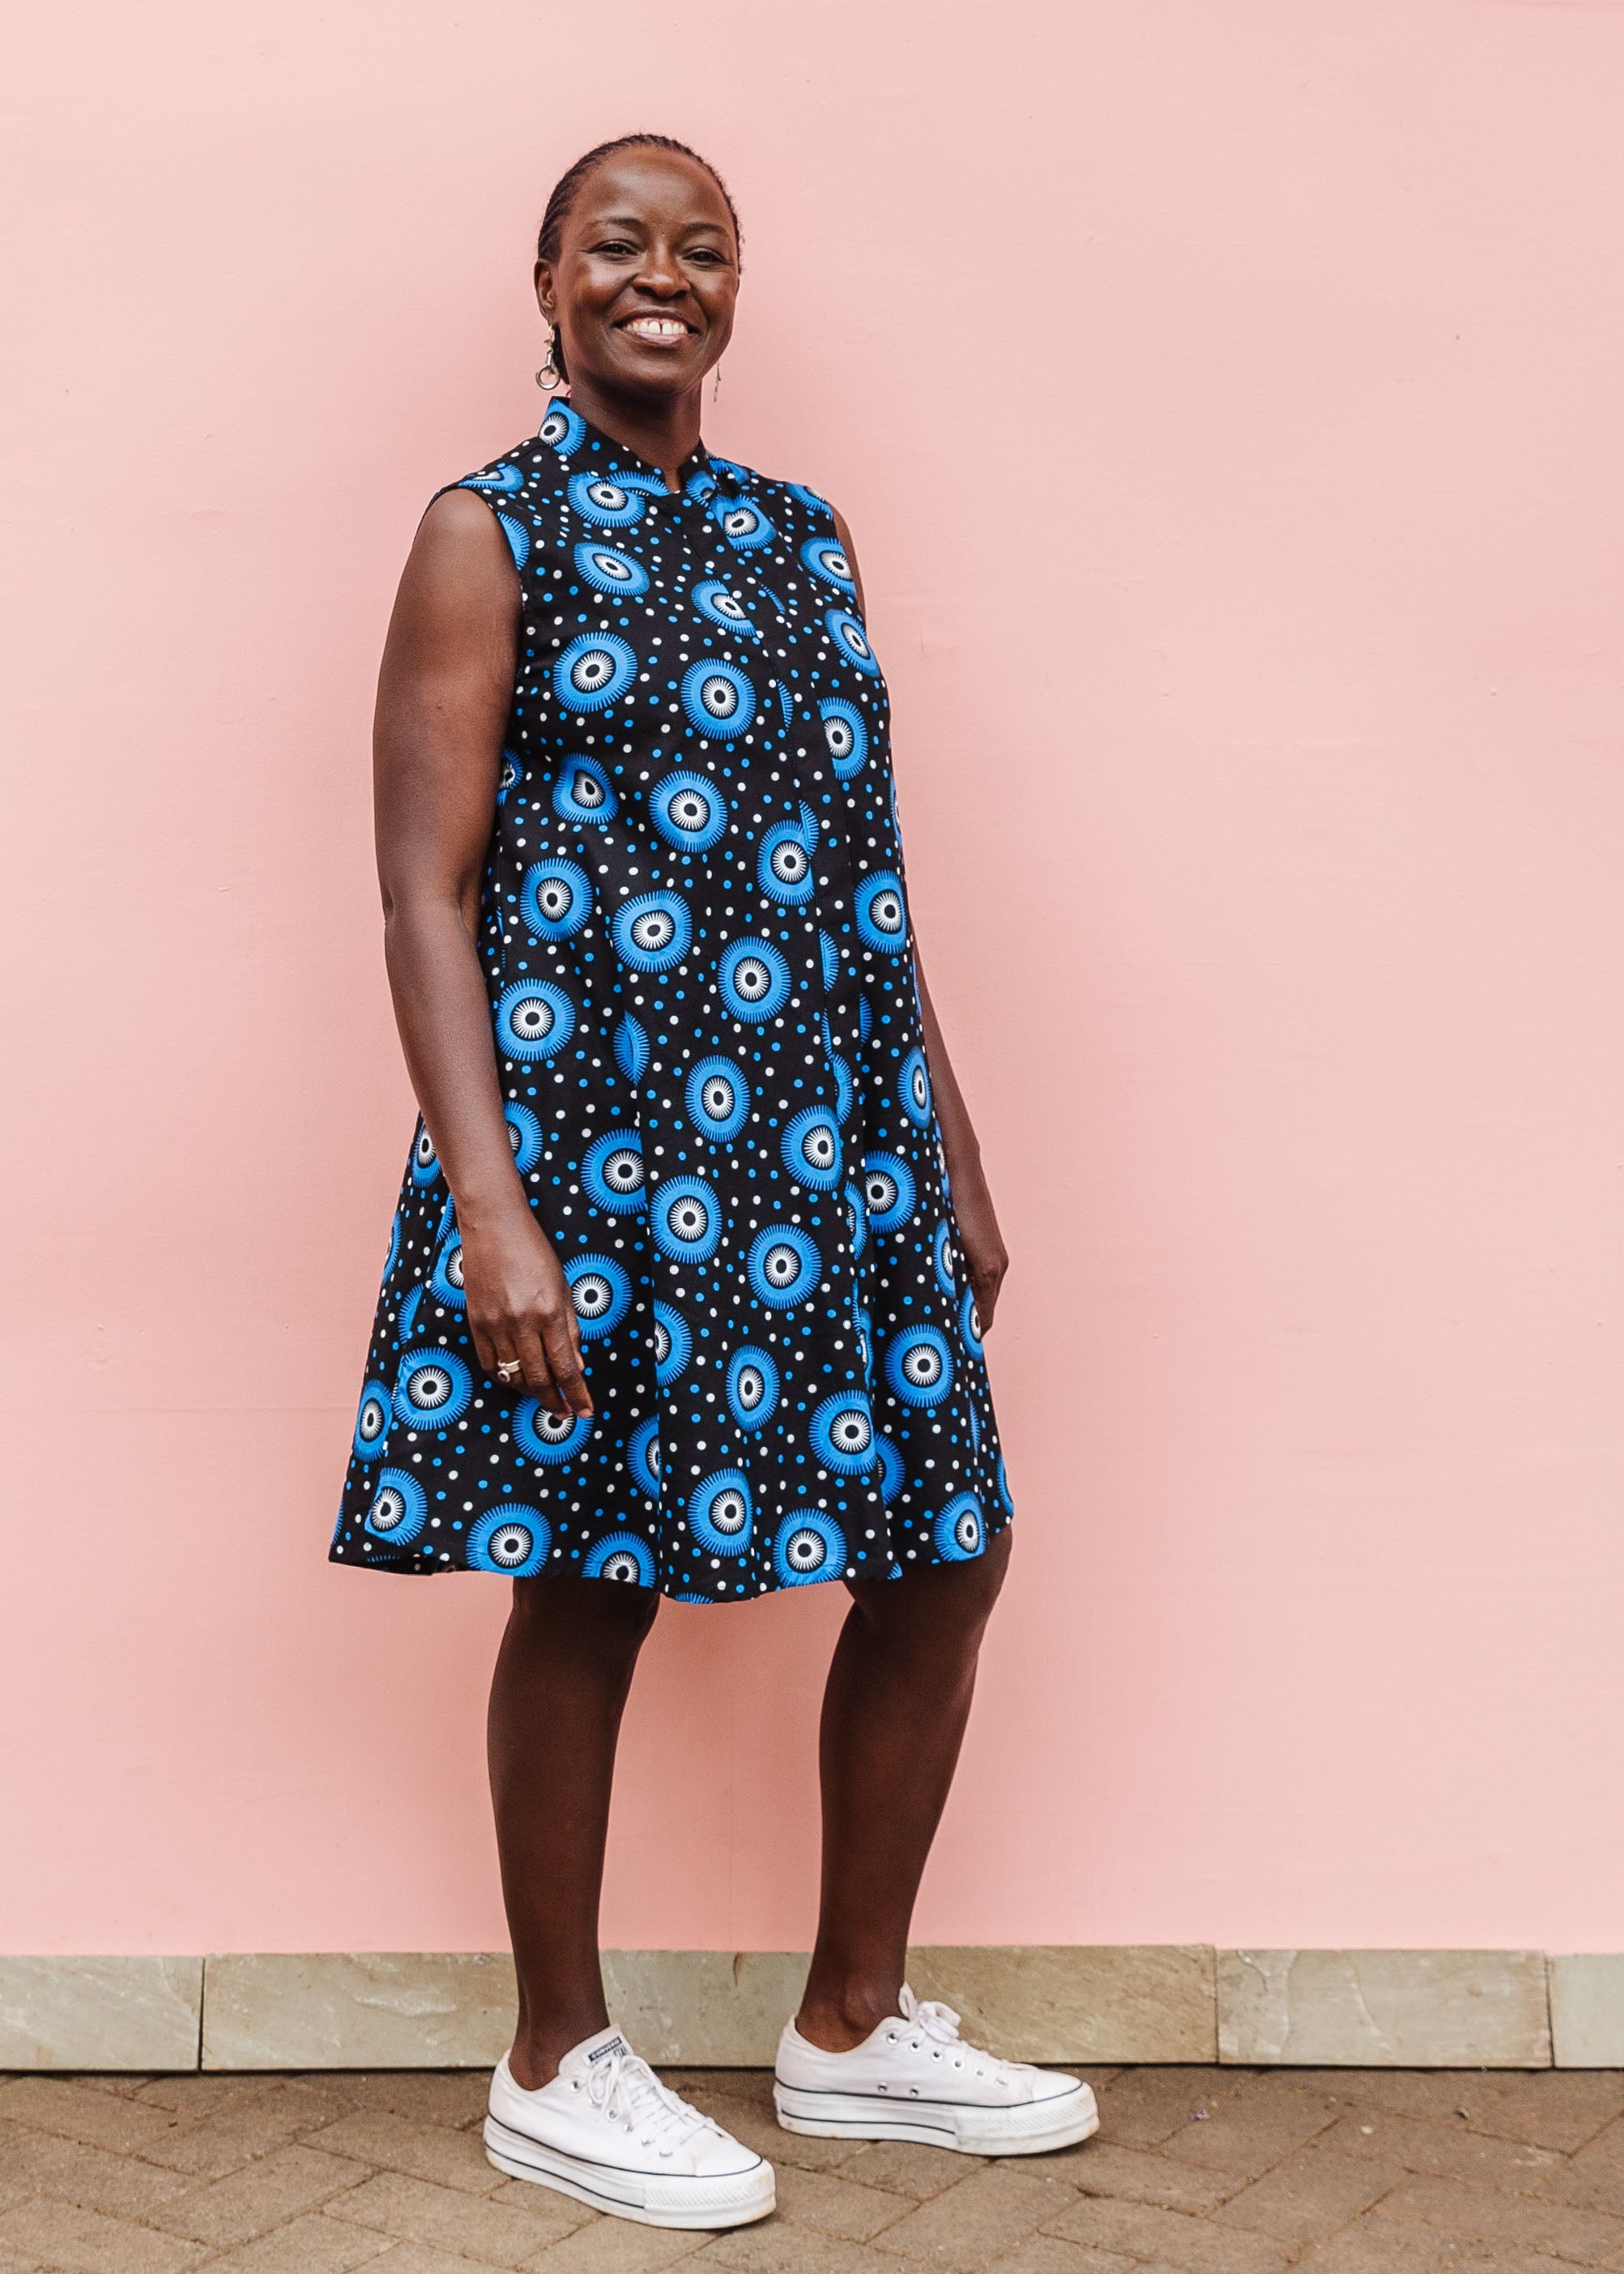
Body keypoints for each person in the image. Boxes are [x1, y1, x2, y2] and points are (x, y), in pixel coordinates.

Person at [331, 131, 1096, 2230]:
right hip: (595, 1149)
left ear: (735, 292)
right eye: (619, 246)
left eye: (703, 250)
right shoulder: (490, 528)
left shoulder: (799, 535)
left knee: (948, 1540)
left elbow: (865, 875)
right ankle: (556, 2054)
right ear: (551, 282)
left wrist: (947, 1142)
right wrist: (492, 1208)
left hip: (824, 1144)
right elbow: (420, 887)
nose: (662, 279)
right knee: (591, 1574)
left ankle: (853, 2026)